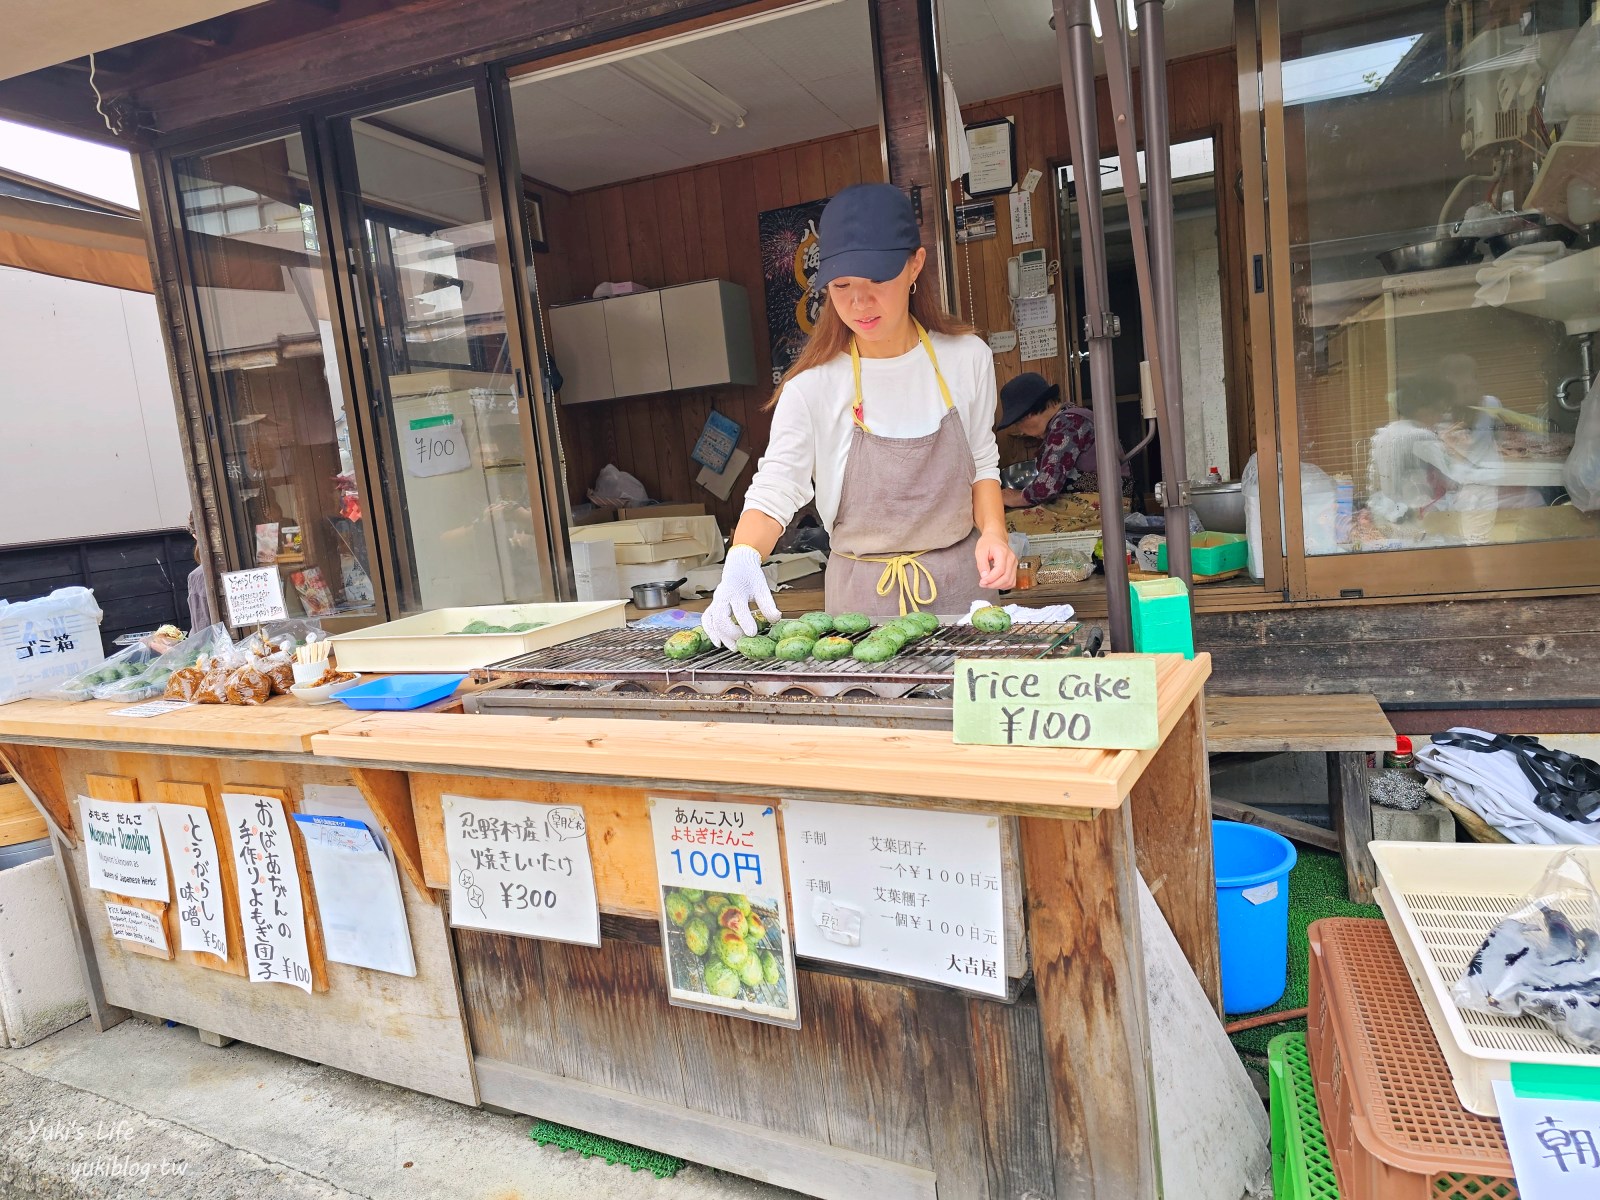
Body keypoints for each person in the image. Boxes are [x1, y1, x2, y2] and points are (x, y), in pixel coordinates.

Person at [702, 183, 1016, 647]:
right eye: (843, 285)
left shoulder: (967, 358)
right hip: (858, 607)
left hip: (961, 592)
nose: (858, 304)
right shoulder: (811, 386)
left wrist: (994, 532)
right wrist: (742, 559)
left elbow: (982, 461)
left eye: (877, 282)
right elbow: (775, 489)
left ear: (915, 265)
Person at [995, 372, 1126, 508]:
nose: (1021, 430)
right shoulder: (1069, 416)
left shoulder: (1067, 422)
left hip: (1106, 504)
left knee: (1010, 523)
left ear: (1028, 415)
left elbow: (1047, 487)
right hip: (1107, 500)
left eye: (1017, 423)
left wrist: (1016, 498)